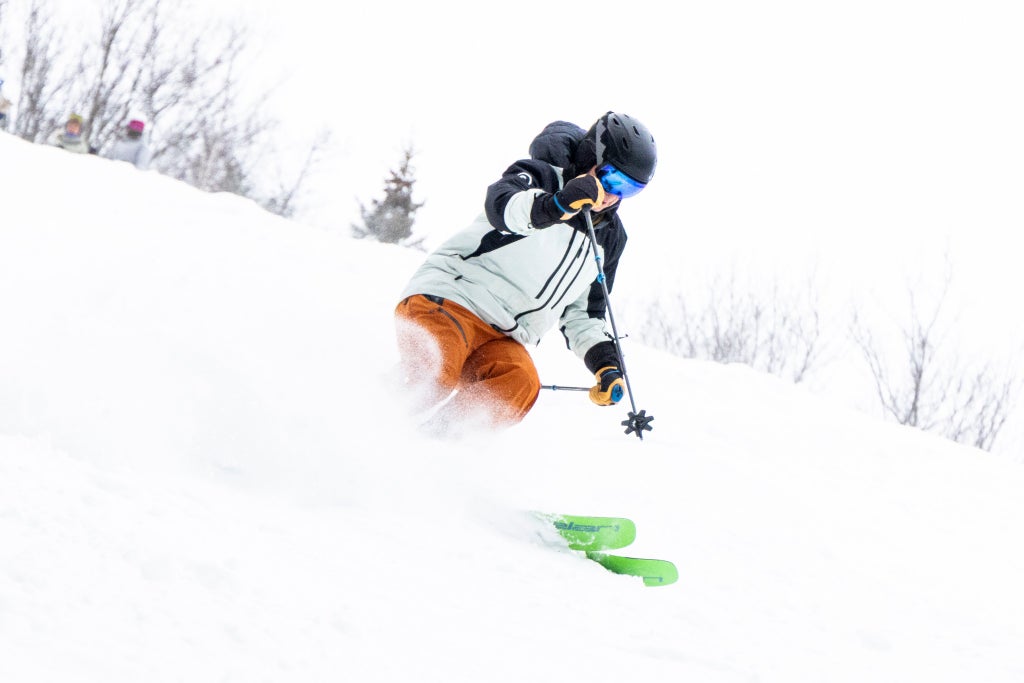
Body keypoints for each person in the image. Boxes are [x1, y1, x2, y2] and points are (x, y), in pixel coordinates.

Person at [394, 111, 657, 436]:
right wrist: (559, 204)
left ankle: (429, 446)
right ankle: (364, 420)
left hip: (504, 338)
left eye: (629, 190)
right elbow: (504, 208)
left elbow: (584, 314)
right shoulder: (541, 176)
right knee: (433, 375)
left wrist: (605, 363)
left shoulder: (610, 237)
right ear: (591, 156)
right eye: (612, 179)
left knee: (517, 386)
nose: (613, 194)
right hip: (451, 301)